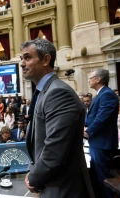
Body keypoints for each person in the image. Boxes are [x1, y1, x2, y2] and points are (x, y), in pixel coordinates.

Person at [20, 39, 94, 197]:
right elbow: (37, 141)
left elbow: (55, 149)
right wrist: (32, 170)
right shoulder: (44, 92)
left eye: (27, 58)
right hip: (52, 183)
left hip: (64, 188)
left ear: (46, 60)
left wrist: (33, 177)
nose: (21, 63)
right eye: (21, 59)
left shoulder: (58, 93)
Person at [84, 68, 119, 198]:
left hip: (102, 143)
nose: (88, 80)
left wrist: (88, 130)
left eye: (90, 77)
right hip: (98, 142)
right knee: (98, 177)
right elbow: (93, 117)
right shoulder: (101, 94)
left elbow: (102, 118)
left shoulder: (107, 94)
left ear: (98, 79)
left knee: (103, 178)